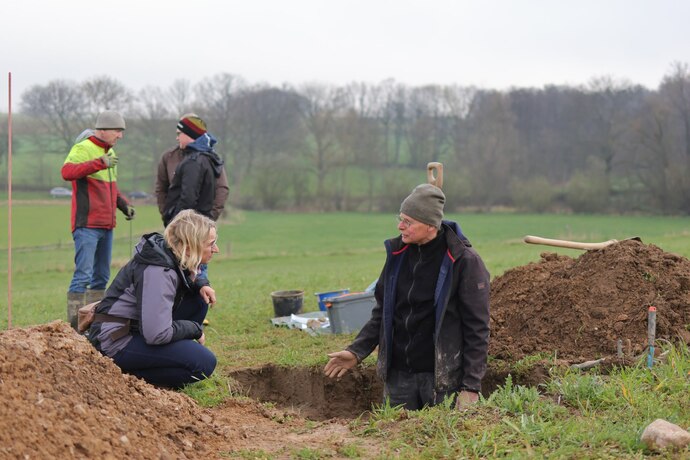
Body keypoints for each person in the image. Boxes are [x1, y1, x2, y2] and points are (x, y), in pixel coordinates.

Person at [324, 184, 490, 410]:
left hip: (441, 381)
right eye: (400, 218)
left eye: (409, 221)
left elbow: (477, 328)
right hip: (398, 379)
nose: (401, 226)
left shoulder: (464, 261)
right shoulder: (397, 255)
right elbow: (383, 312)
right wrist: (357, 351)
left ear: (431, 225)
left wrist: (471, 386)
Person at [87, 209, 219, 389]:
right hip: (115, 340)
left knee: (198, 299)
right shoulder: (158, 272)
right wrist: (194, 329)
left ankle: (169, 356)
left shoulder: (169, 252)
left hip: (136, 328)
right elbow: (156, 334)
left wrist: (201, 283)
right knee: (203, 364)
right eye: (211, 244)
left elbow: (185, 273)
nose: (216, 249)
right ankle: (126, 376)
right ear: (189, 247)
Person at [61, 111, 135, 330]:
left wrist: (123, 206)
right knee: (82, 276)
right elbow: (67, 172)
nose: (120, 136)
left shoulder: (109, 153)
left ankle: (91, 325)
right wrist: (99, 163)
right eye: (117, 131)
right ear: (102, 130)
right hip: (87, 225)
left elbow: (110, 189)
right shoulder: (83, 148)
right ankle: (74, 327)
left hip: (107, 225)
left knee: (102, 277)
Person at [159, 114, 228, 226]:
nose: (177, 138)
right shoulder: (206, 157)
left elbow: (188, 199)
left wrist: (174, 225)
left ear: (189, 134)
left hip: (187, 228)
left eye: (179, 134)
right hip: (198, 225)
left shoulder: (193, 162)